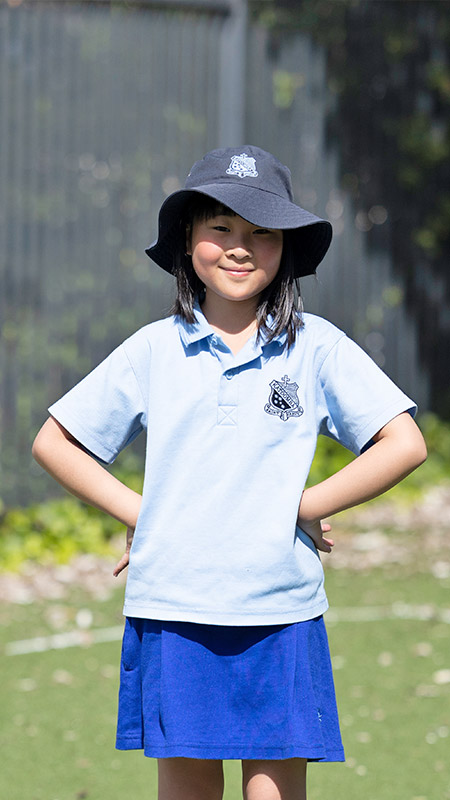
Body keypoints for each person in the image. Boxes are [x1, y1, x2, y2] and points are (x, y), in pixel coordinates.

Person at [32, 145, 427, 800]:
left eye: (261, 232)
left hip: (280, 610)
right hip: (176, 609)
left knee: (273, 793)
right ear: (187, 240)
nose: (240, 248)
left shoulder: (317, 346)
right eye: (221, 228)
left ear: (286, 248)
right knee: (188, 791)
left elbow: (404, 442)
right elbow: (55, 442)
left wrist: (305, 503)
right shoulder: (154, 349)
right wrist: (144, 514)